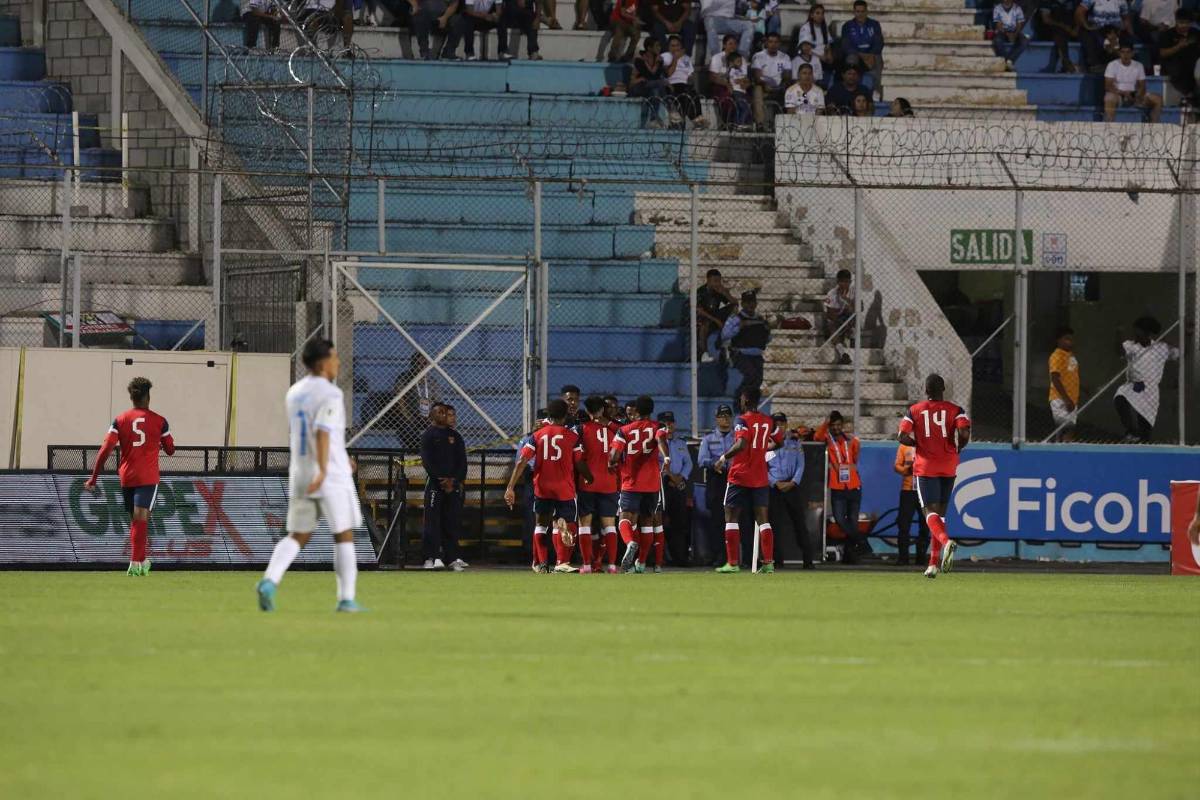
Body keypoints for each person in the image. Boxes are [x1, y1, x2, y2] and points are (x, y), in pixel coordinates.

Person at [257, 339, 364, 612]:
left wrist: (339, 457)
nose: (338, 362)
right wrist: (326, 468)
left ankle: (270, 580)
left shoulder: (294, 392)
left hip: (300, 471)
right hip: (328, 475)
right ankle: (346, 599)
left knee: (298, 534)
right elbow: (323, 431)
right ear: (322, 363)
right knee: (343, 534)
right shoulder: (330, 393)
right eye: (334, 357)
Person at [84, 376, 176, 577]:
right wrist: (160, 441)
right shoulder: (160, 421)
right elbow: (170, 450)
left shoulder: (120, 420)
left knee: (137, 519)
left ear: (132, 398)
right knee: (140, 519)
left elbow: (106, 449)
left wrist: (94, 478)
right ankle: (135, 562)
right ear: (148, 397)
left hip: (127, 476)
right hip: (148, 476)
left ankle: (142, 561)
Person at [897, 373, 972, 579]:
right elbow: (964, 432)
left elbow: (901, 436)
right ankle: (933, 564)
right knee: (940, 516)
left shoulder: (914, 410)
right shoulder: (956, 410)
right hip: (948, 465)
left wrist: (916, 444)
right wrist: (959, 447)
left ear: (925, 391)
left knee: (928, 512)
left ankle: (946, 542)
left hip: (926, 466)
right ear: (943, 390)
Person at [504, 399, 591, 573]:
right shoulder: (572, 436)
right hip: (564, 488)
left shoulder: (536, 436)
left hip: (542, 487)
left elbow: (522, 460)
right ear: (565, 415)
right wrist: (589, 476)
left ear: (549, 415)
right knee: (567, 523)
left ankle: (542, 563)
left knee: (541, 525)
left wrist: (510, 487)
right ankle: (562, 562)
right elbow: (579, 461)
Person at [712, 386, 783, 573]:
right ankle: (768, 562)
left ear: (745, 400)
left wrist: (722, 458)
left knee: (731, 516)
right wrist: (762, 450)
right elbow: (779, 441)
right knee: (763, 519)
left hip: (740, 475)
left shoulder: (741, 420)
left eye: (742, 399)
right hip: (760, 477)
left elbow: (741, 444)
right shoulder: (769, 421)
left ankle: (733, 563)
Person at [609, 395, 671, 573]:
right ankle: (641, 563)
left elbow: (613, 456)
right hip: (651, 484)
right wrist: (666, 457)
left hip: (631, 482)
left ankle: (630, 543)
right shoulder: (658, 427)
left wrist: (612, 462)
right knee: (647, 522)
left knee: (625, 519)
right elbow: (661, 440)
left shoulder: (625, 430)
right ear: (651, 410)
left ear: (636, 410)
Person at [1114, 316, 1179, 443]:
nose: (1135, 334)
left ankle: (1142, 442)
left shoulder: (1161, 347)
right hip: (1135, 385)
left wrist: (1184, 336)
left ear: (1147, 333)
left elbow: (1180, 353)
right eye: (1135, 331)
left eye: (1138, 331)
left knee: (1145, 423)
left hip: (1151, 389)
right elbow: (1120, 352)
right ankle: (1132, 431)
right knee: (1120, 398)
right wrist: (1118, 333)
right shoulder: (1131, 345)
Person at [420, 402, 469, 571]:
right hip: (435, 485)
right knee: (433, 522)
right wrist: (440, 479)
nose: (443, 415)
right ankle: (431, 557)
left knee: (451, 522)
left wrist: (454, 481)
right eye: (439, 412)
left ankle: (452, 558)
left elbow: (462, 462)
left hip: (452, 486)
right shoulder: (428, 435)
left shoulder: (455, 436)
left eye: (445, 412)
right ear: (432, 416)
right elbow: (427, 461)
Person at [577, 395, 622, 573]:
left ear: (587, 411)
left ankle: (587, 565)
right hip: (609, 482)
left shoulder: (582, 429)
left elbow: (577, 456)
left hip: (588, 482)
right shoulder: (615, 430)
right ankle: (611, 565)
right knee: (609, 525)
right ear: (602, 410)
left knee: (585, 524)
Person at [766, 411, 814, 569]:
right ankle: (777, 561)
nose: (779, 426)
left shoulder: (795, 443)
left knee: (799, 523)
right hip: (774, 488)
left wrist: (793, 482)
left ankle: (808, 560)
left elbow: (801, 464)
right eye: (776, 423)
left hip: (791, 487)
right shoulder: (766, 444)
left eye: (782, 423)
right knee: (775, 525)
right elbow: (761, 466)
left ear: (786, 424)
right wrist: (774, 482)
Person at [825, 410, 870, 564]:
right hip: (837, 486)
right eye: (833, 425)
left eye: (839, 425)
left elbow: (855, 458)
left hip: (854, 485)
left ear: (842, 425)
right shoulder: (828, 440)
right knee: (839, 519)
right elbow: (817, 435)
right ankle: (863, 542)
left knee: (852, 521)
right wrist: (826, 421)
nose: (836, 428)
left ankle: (851, 556)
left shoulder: (852, 441)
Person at [697, 404, 735, 566]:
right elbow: (701, 460)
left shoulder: (738, 437)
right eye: (722, 416)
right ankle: (719, 556)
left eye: (727, 416)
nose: (725, 419)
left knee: (737, 520)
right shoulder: (708, 439)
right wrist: (715, 464)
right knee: (717, 521)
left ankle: (739, 557)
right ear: (716, 419)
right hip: (717, 479)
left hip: (734, 479)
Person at [658, 411, 694, 569]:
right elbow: (657, 464)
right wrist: (670, 476)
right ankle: (659, 558)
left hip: (678, 485)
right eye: (665, 423)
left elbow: (689, 463)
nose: (669, 425)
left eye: (671, 422)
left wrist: (681, 477)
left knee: (680, 522)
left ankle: (680, 557)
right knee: (659, 522)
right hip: (662, 485)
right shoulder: (656, 442)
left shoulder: (681, 443)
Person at [722, 289, 770, 403]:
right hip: (741, 354)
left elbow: (766, 339)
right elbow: (725, 335)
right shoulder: (736, 318)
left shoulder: (760, 319)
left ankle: (750, 405)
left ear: (756, 303)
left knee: (758, 380)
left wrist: (767, 330)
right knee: (751, 376)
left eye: (752, 302)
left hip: (757, 355)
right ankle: (741, 402)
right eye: (747, 302)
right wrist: (739, 327)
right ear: (742, 304)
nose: (750, 305)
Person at [1103, 42, 1163, 121]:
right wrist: (1123, 93)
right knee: (1109, 98)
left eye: (1128, 52)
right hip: (1118, 94)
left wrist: (1137, 96)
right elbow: (1108, 86)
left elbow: (1142, 85)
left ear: (1132, 53)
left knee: (1157, 99)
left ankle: (1153, 124)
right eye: (1123, 52)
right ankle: (1110, 126)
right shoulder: (1112, 65)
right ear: (1119, 53)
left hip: (1134, 95)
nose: (1125, 55)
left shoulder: (1138, 65)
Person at [892, 441, 928, 567]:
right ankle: (903, 557)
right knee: (903, 524)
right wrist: (906, 470)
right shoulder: (903, 446)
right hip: (908, 491)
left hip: (924, 491)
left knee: (925, 525)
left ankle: (921, 557)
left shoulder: (928, 444)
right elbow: (896, 466)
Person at [661, 35, 708, 128]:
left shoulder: (686, 58)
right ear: (668, 47)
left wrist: (690, 81)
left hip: (684, 84)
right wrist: (675, 58)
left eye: (677, 45)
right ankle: (683, 121)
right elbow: (668, 74)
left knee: (694, 96)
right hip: (672, 83)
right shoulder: (665, 56)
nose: (675, 48)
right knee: (683, 95)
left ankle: (698, 119)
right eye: (672, 46)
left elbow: (690, 74)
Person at [841, 0, 884, 97]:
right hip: (856, 55)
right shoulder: (847, 26)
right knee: (851, 58)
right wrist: (861, 55)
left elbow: (879, 42)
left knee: (878, 58)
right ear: (854, 12)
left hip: (871, 55)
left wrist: (871, 54)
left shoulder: (874, 24)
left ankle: (875, 92)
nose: (860, 14)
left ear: (866, 12)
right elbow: (846, 46)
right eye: (858, 11)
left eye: (862, 11)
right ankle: (851, 90)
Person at [694, 267, 738, 360]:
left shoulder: (719, 290)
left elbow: (735, 303)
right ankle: (705, 353)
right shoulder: (700, 292)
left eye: (719, 281)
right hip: (704, 317)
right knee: (704, 325)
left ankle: (728, 339)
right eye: (714, 281)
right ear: (708, 280)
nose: (717, 283)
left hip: (715, 316)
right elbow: (699, 311)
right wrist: (717, 320)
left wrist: (725, 293)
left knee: (734, 307)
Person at [750, 32, 792, 127]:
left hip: (779, 87)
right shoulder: (758, 56)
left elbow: (787, 76)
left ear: (779, 44)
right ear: (766, 43)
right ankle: (760, 124)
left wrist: (781, 85)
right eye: (770, 42)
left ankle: (787, 125)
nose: (773, 45)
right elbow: (757, 77)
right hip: (763, 86)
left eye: (776, 42)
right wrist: (765, 85)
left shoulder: (785, 57)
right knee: (757, 89)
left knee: (791, 89)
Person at [1075, 0, 1129, 74]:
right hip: (1097, 29)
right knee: (1089, 36)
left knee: (1125, 41)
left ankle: (1122, 66)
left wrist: (1122, 29)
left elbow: (1125, 18)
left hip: (1115, 30)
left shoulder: (1122, 1)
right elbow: (1079, 12)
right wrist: (1087, 26)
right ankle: (1095, 64)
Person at [1048, 326, 1081, 442]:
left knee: (1069, 429)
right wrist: (1066, 399)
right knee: (1065, 428)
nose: (1070, 342)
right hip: (1060, 398)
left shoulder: (1071, 356)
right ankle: (1058, 449)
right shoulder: (1057, 356)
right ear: (1058, 340)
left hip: (1072, 399)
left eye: (1071, 339)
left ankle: (1062, 448)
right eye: (1066, 339)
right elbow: (1055, 378)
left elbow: (1072, 376)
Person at [1159, 11, 1200, 101]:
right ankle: (1188, 95)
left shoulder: (1195, 33)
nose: (1184, 25)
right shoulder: (1168, 34)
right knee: (1179, 70)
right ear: (1176, 21)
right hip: (1174, 64)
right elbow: (1163, 53)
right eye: (1181, 23)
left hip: (1194, 63)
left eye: (1187, 23)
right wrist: (1178, 47)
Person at [630, 36, 670, 127]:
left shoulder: (659, 59)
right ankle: (671, 108)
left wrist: (658, 64)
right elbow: (649, 76)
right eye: (657, 46)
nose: (659, 48)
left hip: (650, 87)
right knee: (659, 84)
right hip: (637, 87)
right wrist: (656, 64)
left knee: (655, 90)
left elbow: (656, 77)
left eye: (659, 46)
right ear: (649, 48)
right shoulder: (639, 59)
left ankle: (653, 119)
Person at [700, 0, 753, 64]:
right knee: (710, 23)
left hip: (730, 19)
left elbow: (742, 6)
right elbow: (706, 8)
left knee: (749, 25)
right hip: (712, 17)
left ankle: (741, 56)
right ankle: (716, 58)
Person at [1035, 0, 1080, 74]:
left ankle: (1092, 64)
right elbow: (1046, 19)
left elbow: (1078, 15)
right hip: (1050, 30)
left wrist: (1076, 28)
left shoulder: (1073, 2)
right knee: (1059, 32)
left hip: (1070, 30)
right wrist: (1065, 27)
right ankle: (1066, 61)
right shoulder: (1046, 2)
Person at [797, 3, 835, 87]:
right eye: (817, 13)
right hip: (811, 58)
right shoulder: (806, 28)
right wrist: (820, 57)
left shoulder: (824, 28)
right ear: (811, 15)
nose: (820, 16)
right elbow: (805, 49)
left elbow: (828, 45)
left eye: (822, 13)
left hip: (823, 58)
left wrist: (829, 56)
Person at [708, 34, 741, 125]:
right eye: (730, 44)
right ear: (724, 45)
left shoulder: (739, 58)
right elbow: (712, 77)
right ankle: (726, 123)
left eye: (735, 44)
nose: (733, 46)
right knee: (727, 97)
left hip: (734, 85)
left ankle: (741, 123)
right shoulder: (717, 58)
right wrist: (726, 84)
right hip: (719, 85)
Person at [823, 268, 854, 365]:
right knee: (832, 328)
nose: (844, 285)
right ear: (838, 282)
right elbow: (829, 314)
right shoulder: (832, 294)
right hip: (836, 319)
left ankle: (851, 335)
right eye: (842, 282)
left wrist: (846, 300)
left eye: (847, 282)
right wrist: (839, 321)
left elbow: (859, 309)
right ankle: (843, 354)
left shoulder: (854, 292)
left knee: (852, 315)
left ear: (850, 282)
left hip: (849, 317)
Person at [992, 0, 1029, 70]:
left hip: (1015, 31)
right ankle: (1005, 61)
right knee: (997, 41)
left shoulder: (1017, 8)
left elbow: (1019, 24)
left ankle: (1010, 60)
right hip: (1003, 31)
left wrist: (1015, 34)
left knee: (1025, 41)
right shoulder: (997, 8)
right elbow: (998, 24)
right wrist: (1007, 34)